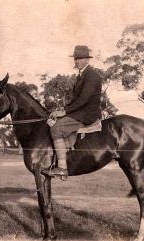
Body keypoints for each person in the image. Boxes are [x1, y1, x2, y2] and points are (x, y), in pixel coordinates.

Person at [42, 45, 102, 178]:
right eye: (75, 58)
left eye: (79, 58)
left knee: (56, 128)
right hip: (80, 112)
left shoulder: (92, 76)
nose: (76, 61)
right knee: (52, 121)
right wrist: (62, 109)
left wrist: (65, 112)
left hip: (87, 114)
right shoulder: (81, 75)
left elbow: (84, 99)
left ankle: (62, 168)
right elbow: (75, 100)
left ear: (87, 59)